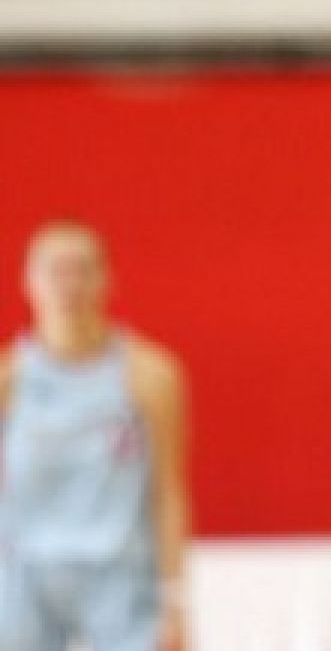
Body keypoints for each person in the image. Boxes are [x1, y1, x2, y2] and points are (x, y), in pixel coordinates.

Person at [0, 221, 192, 651]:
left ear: (107, 279)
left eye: (82, 270)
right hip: (25, 575)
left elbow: (169, 493)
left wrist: (175, 600)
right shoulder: (9, 379)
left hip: (121, 575)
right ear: (29, 282)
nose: (68, 285)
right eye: (55, 270)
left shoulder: (150, 377)